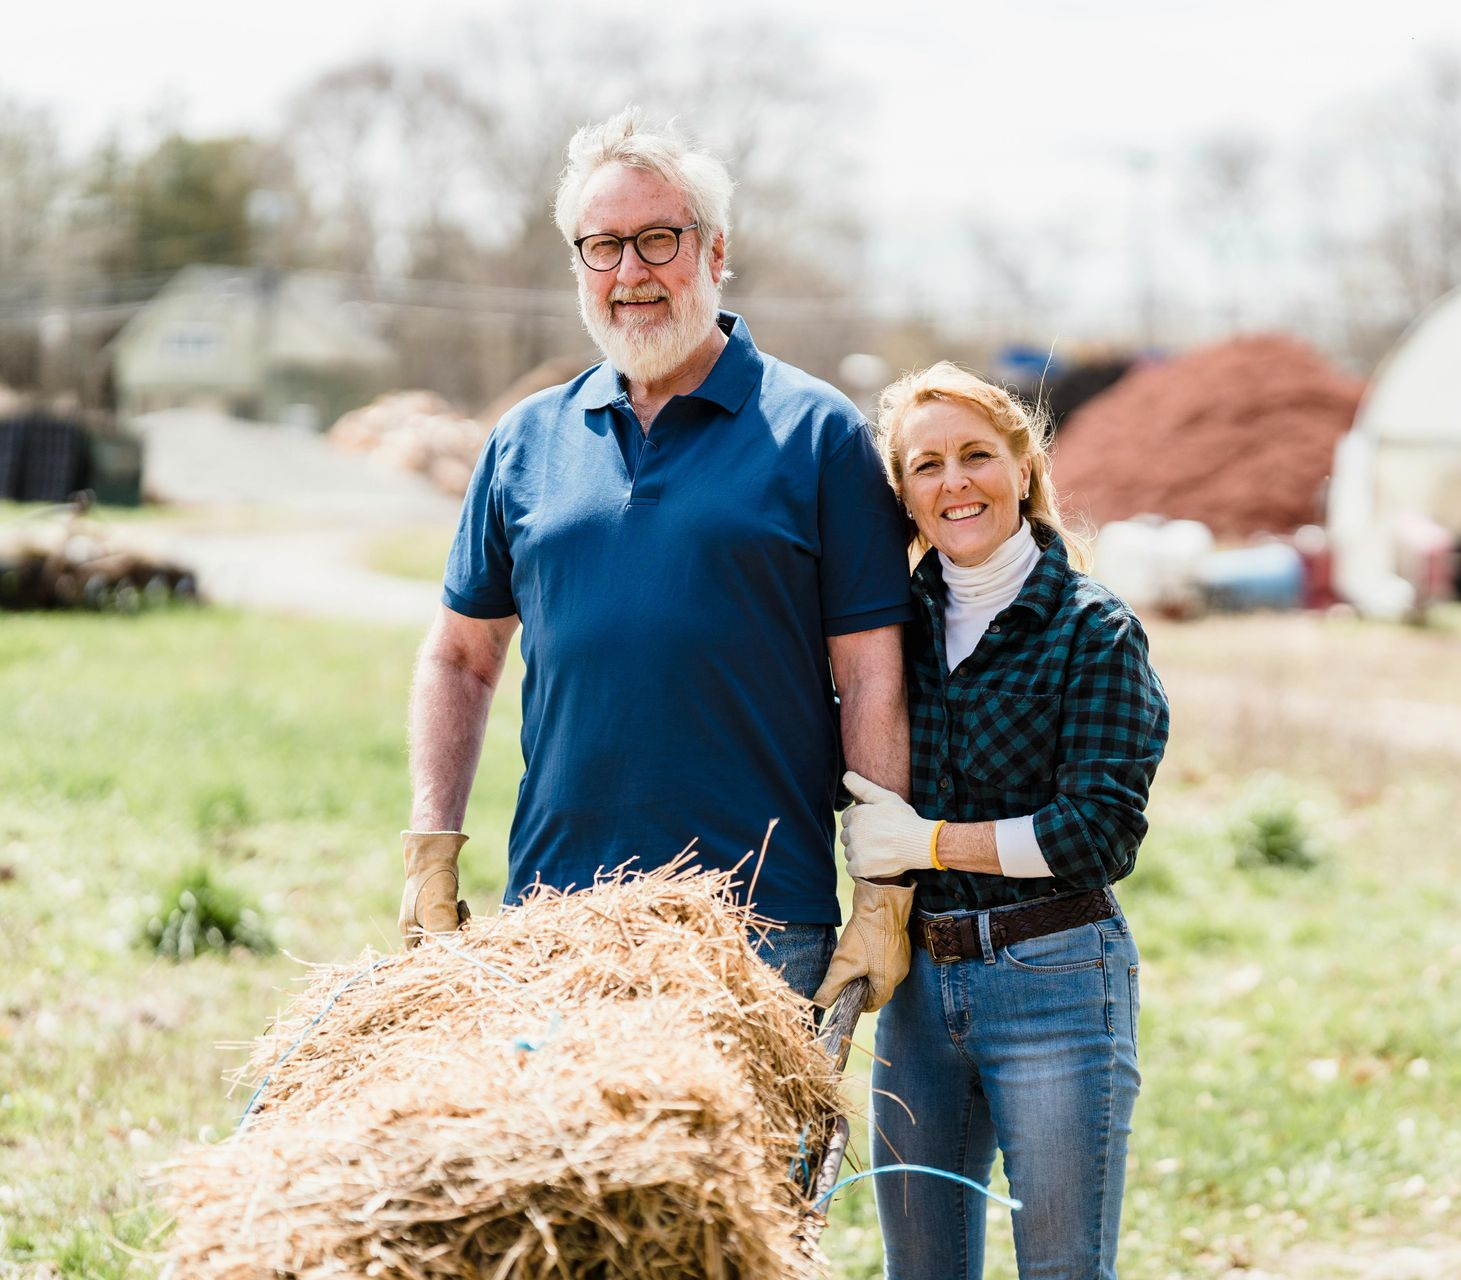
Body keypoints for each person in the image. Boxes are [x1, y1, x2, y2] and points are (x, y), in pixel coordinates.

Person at [396, 108, 914, 1002]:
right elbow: (459, 655)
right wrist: (431, 847)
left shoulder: (816, 432)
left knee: (752, 1154)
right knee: (565, 1151)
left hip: (758, 920)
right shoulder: (525, 439)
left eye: (658, 240)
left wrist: (881, 892)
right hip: (557, 914)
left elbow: (873, 678)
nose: (630, 272)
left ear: (714, 254)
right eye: (603, 246)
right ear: (578, 268)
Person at [823, 362, 1169, 1278]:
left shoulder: (1091, 631)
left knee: (1061, 1269)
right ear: (902, 494)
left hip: (1054, 978)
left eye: (975, 455)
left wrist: (928, 844)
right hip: (919, 989)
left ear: (1022, 466)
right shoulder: (886, 633)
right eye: (925, 465)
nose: (954, 483)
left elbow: (1095, 833)